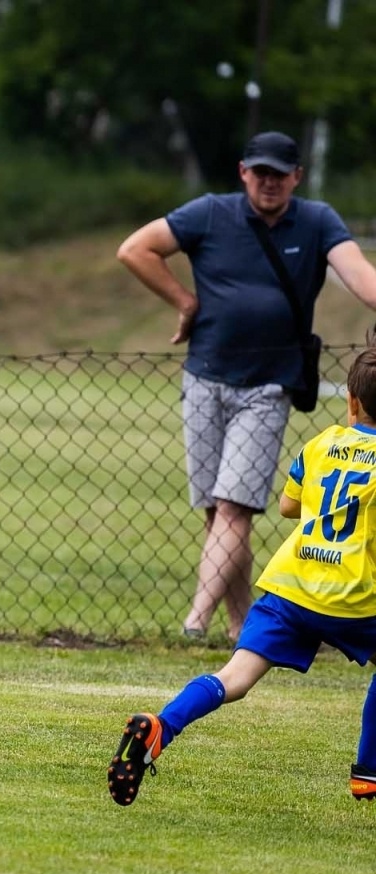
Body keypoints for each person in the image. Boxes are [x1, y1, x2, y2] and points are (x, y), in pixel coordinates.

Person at [118, 131, 376, 641]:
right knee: (219, 513)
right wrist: (184, 302)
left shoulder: (319, 221)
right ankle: (241, 627)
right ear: (243, 172)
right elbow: (135, 249)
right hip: (203, 377)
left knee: (235, 507)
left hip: (270, 385)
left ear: (297, 177)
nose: (270, 182)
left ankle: (195, 620)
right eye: (260, 172)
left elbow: (361, 277)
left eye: (280, 174)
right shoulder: (210, 213)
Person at [109, 345, 376, 806]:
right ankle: (369, 771)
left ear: (351, 402)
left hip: (290, 586)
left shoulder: (321, 444)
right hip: (354, 595)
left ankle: (161, 729)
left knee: (235, 677)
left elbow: (289, 505)